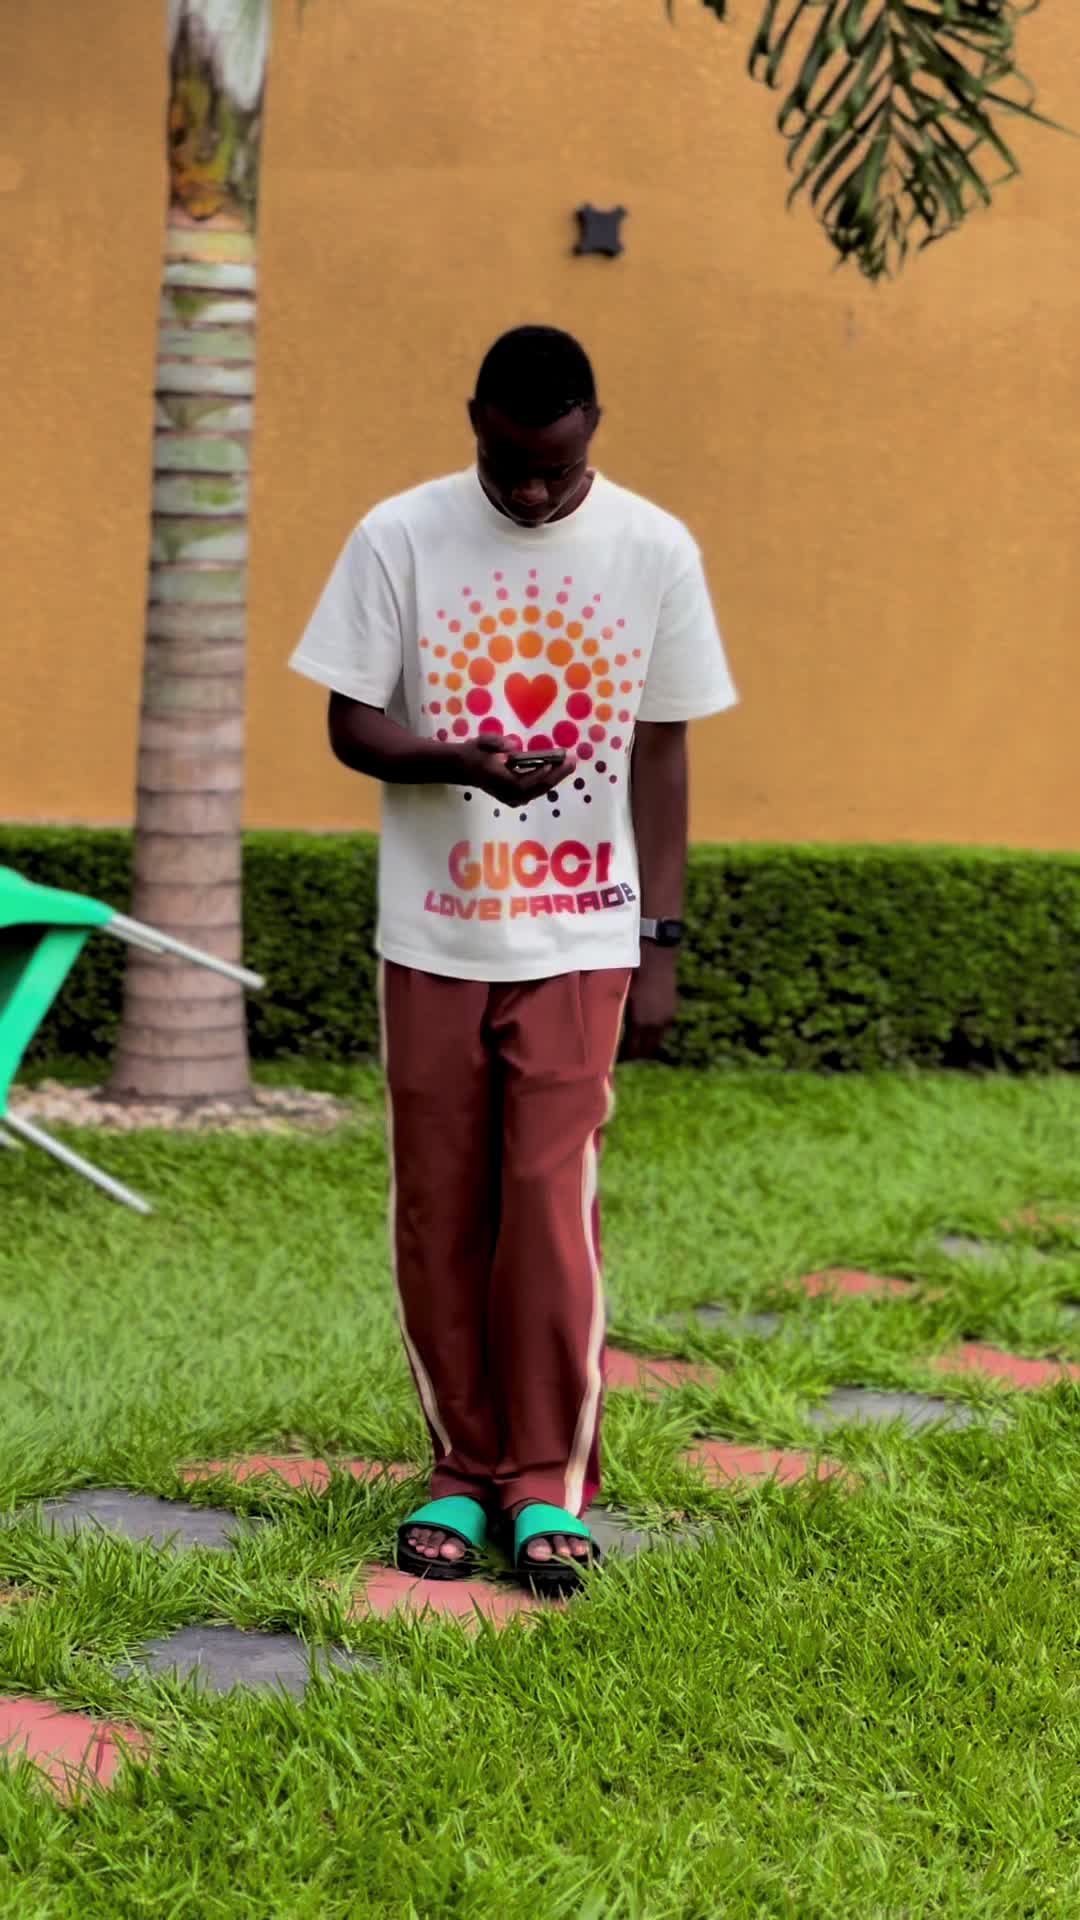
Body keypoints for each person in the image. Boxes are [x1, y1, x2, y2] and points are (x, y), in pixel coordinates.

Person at [289, 326, 737, 1597]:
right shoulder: (399, 535)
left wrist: (660, 943)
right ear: (473, 419)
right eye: (508, 465)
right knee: (441, 1203)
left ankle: (546, 1481)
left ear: (593, 425)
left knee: (547, 1200)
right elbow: (350, 722)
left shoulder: (654, 547)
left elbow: (662, 751)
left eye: (555, 467)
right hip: (434, 929)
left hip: (583, 932)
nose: (532, 493)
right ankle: (459, 1466)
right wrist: (457, 760)